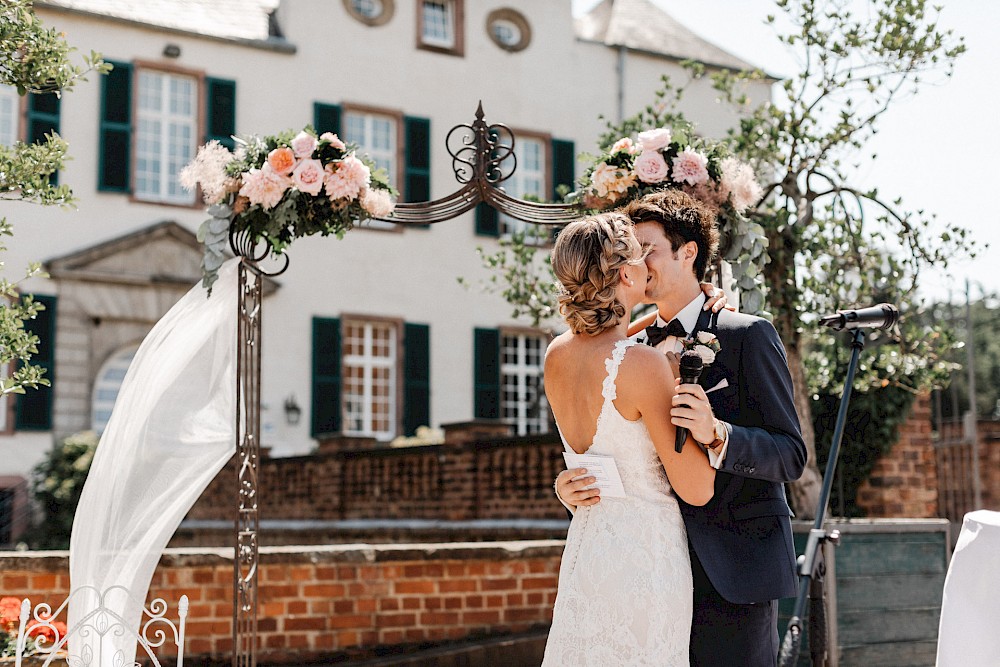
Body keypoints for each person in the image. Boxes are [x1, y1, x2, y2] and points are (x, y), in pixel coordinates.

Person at [558, 190, 807, 666]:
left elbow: (791, 454)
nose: (636, 261)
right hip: (649, 571)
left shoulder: (746, 335)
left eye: (646, 247)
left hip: (733, 571)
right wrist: (570, 485)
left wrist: (719, 434)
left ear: (688, 251)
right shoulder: (628, 347)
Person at [541, 212, 717, 666]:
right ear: (625, 274)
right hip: (646, 559)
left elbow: (598, 452)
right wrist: (707, 426)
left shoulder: (556, 355)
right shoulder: (641, 365)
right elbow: (697, 489)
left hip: (589, 548)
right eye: (641, 256)